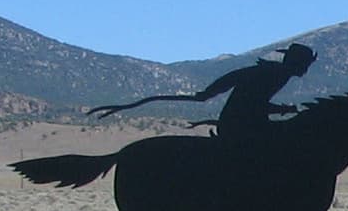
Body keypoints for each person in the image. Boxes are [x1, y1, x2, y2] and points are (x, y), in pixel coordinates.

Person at [89, 43, 317, 142]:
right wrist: (283, 109)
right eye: (305, 65)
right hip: (242, 125)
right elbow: (253, 104)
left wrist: (206, 94)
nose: (306, 70)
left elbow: (232, 80)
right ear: (298, 63)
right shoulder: (275, 75)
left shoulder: (270, 71)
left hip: (239, 121)